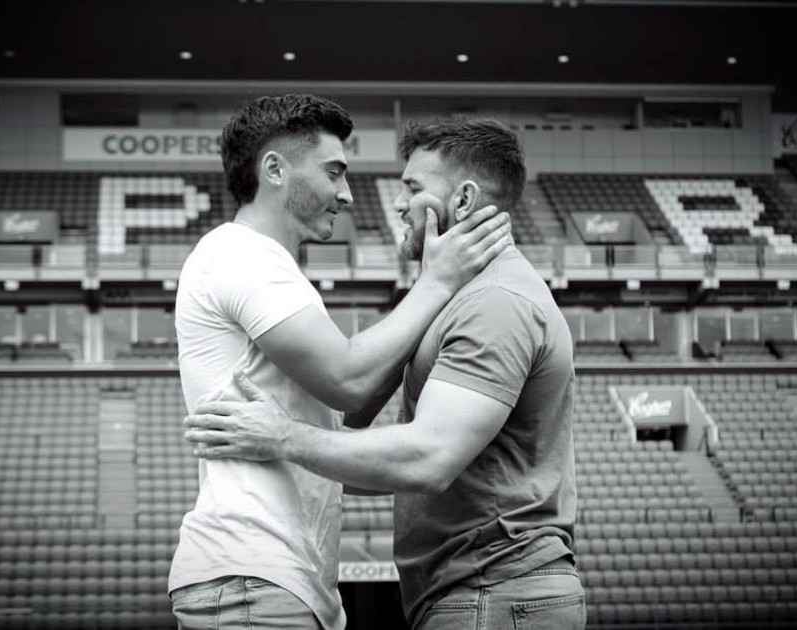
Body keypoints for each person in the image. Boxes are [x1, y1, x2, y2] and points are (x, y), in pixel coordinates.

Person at [185, 118, 583, 630]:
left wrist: (283, 437)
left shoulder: (495, 302)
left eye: (412, 189)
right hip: (474, 587)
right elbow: (366, 422)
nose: (395, 203)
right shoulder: (456, 296)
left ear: (463, 200)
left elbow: (428, 458)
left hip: (493, 586)